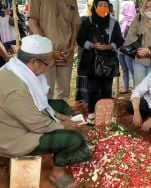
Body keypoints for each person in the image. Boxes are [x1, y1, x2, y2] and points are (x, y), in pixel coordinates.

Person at [0, 35, 91, 188]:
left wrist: (56, 115)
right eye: (46, 64)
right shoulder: (17, 89)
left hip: (18, 122)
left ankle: (60, 137)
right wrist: (64, 125)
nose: (46, 68)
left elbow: (39, 103)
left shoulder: (15, 67)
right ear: (33, 61)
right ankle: (57, 174)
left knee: (60, 105)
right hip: (13, 139)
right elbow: (38, 125)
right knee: (74, 138)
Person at [77, 0, 124, 124]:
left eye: (106, 5)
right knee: (92, 88)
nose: (103, 8)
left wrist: (111, 46)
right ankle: (91, 114)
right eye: (100, 5)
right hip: (91, 61)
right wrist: (93, 45)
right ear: (95, 7)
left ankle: (105, 116)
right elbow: (80, 40)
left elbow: (120, 40)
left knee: (106, 89)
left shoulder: (114, 23)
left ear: (109, 7)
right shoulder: (88, 21)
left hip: (108, 62)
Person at [29, 0, 80, 100]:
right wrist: (49, 49)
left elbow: (74, 26)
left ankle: (61, 114)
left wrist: (71, 47)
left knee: (64, 92)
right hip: (44, 53)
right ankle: (46, 115)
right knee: (45, 92)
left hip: (65, 54)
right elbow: (32, 23)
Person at [124, 0, 151, 86]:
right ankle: (140, 100)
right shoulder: (138, 18)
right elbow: (131, 34)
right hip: (140, 58)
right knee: (140, 85)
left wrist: (149, 50)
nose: (149, 10)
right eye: (146, 7)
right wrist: (140, 49)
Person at [75, 0, 94, 103]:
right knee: (85, 75)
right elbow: (79, 38)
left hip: (95, 54)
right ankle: (83, 99)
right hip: (84, 53)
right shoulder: (83, 19)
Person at [119, 1, 136, 94]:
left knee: (132, 69)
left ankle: (136, 87)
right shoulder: (122, 21)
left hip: (129, 50)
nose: (123, 9)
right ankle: (126, 87)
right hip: (121, 48)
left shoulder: (134, 22)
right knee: (124, 69)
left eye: (125, 7)